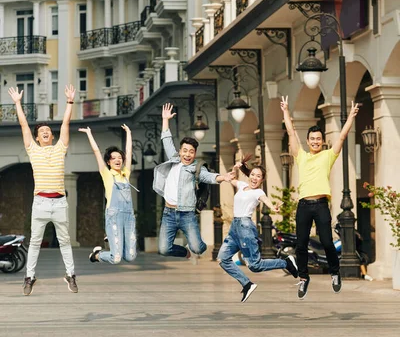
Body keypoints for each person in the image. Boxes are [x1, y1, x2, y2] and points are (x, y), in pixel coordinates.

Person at [281, 95, 359, 299]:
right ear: (308, 142)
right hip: (304, 205)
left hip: (321, 204)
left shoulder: (328, 155)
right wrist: (286, 112)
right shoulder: (301, 156)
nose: (315, 141)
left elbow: (342, 136)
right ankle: (304, 278)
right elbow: (291, 132)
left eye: (318, 139)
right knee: (301, 243)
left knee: (326, 241)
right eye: (312, 139)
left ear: (322, 141)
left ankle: (335, 272)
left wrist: (350, 116)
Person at [8, 84, 78, 296]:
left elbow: (66, 123)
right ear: (37, 138)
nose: (45, 133)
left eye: (48, 131)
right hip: (40, 202)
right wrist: (18, 104)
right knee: (35, 243)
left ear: (52, 137)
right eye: (42, 132)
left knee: (65, 241)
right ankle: (29, 277)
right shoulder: (33, 150)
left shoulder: (60, 149)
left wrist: (69, 102)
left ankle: (71, 275)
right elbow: (23, 126)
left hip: (59, 202)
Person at [153, 103, 235, 262]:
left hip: (187, 214)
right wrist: (165, 120)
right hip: (168, 213)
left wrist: (223, 177)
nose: (188, 154)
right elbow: (166, 140)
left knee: (198, 248)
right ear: (180, 151)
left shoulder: (195, 168)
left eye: (191, 151)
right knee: (164, 249)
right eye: (185, 150)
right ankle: (185, 253)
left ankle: (198, 247)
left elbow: (208, 177)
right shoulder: (174, 160)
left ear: (194, 153)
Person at [218, 157, 298, 302]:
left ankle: (285, 262)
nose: (255, 178)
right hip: (234, 229)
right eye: (253, 175)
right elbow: (231, 179)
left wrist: (274, 207)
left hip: (245, 228)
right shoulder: (242, 185)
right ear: (249, 176)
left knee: (254, 265)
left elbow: (266, 201)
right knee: (223, 259)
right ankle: (247, 284)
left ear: (262, 180)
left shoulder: (258, 192)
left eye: (258, 176)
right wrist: (236, 167)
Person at [79, 124, 137, 265]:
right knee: (116, 258)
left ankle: (112, 242)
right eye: (114, 158)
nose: (118, 160)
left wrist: (129, 132)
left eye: (119, 158)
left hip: (129, 217)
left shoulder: (126, 174)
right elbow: (96, 151)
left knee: (130, 257)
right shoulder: (107, 174)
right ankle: (97, 255)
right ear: (108, 162)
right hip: (114, 216)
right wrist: (89, 133)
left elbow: (129, 152)